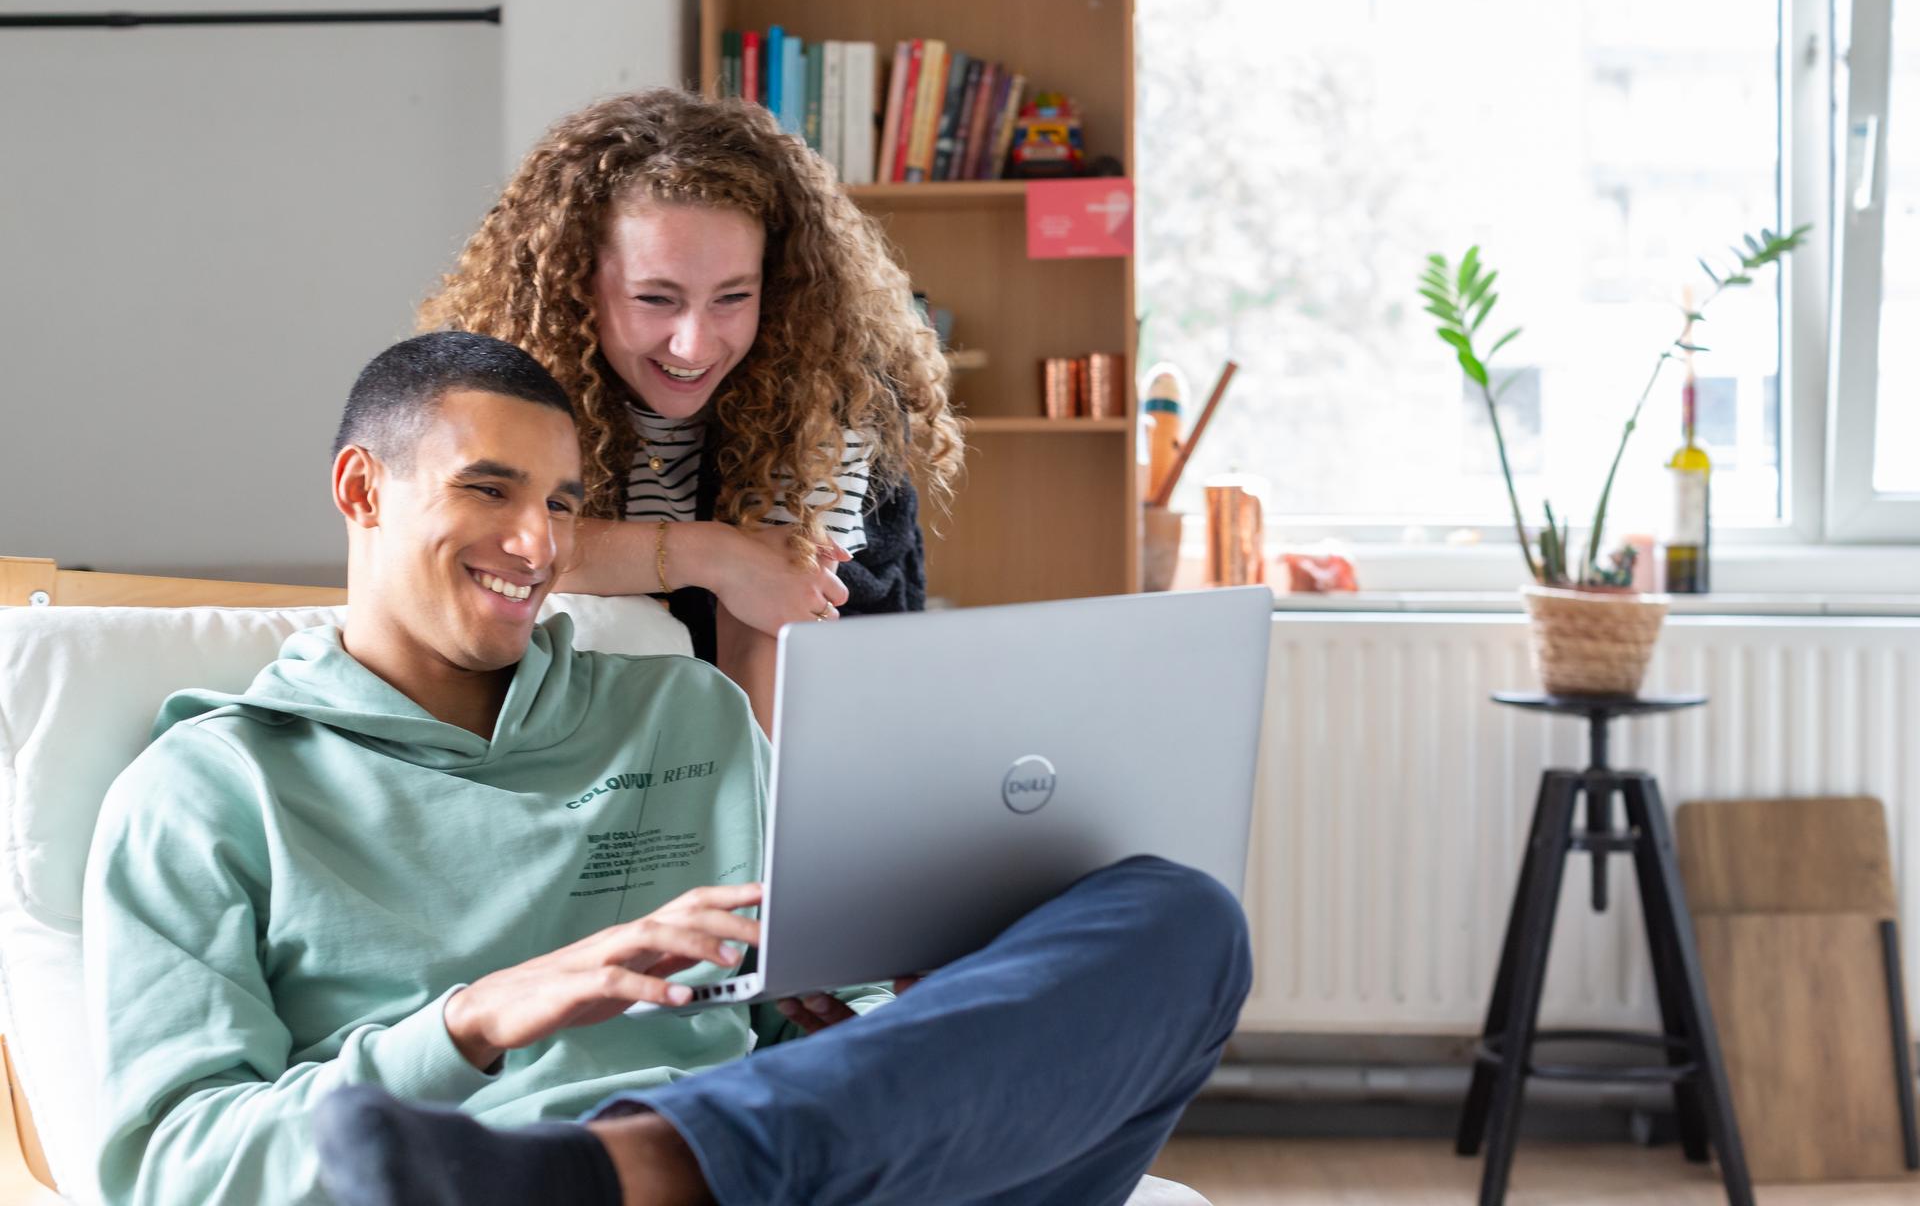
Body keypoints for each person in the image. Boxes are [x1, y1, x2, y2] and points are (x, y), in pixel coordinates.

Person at [83, 332, 1250, 1206]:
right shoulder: (205, 792)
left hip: (790, 1168)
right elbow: (174, 1168)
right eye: (489, 487)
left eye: (562, 501)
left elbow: (791, 1038)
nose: (538, 544)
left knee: (1183, 916)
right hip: (484, 1172)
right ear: (360, 489)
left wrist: (880, 1001)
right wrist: (482, 1016)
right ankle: (604, 1169)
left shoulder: (681, 711)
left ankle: (629, 1169)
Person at [418, 88, 965, 729]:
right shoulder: (502, 381)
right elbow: (487, 549)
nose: (694, 345)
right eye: (655, 299)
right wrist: (711, 553)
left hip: (801, 727)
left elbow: (762, 636)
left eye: (732, 297)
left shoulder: (828, 390)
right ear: (579, 283)